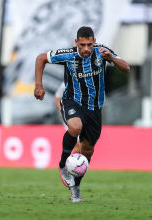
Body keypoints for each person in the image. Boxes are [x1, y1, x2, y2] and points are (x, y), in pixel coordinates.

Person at [34, 26, 130, 202]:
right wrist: (38, 85)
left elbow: (126, 69)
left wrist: (112, 59)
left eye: (90, 45)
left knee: (87, 152)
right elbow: (41, 58)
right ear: (76, 42)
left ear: (94, 42)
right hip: (72, 101)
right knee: (75, 127)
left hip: (94, 109)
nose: (86, 49)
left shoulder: (103, 52)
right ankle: (63, 164)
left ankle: (76, 188)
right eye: (83, 44)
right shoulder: (68, 54)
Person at [54, 82, 81, 153]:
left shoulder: (86, 81)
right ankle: (73, 162)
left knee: (81, 145)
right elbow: (57, 97)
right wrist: (60, 110)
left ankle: (74, 162)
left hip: (81, 115)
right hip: (69, 115)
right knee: (78, 143)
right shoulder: (65, 83)